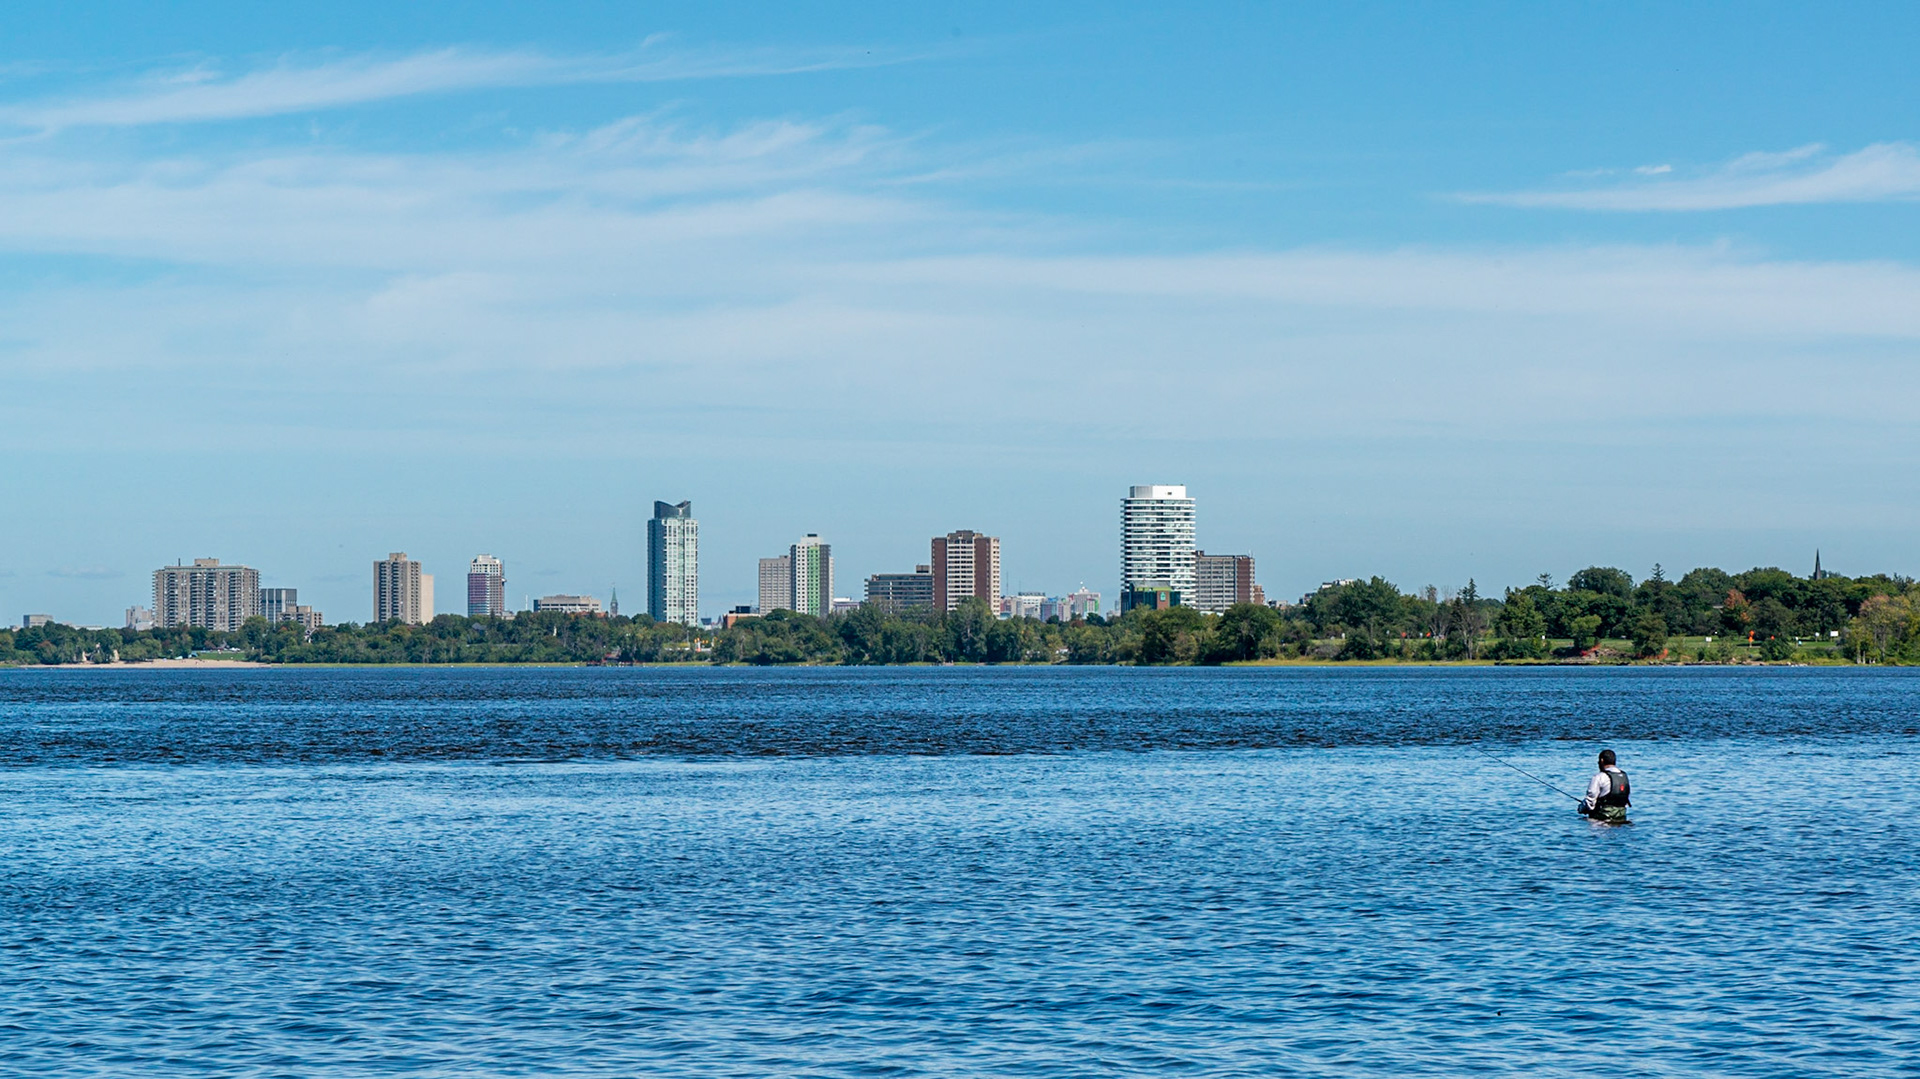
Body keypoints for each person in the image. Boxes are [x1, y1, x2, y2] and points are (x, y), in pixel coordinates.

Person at [1579, 749, 1630, 824]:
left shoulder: (1599, 777)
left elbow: (1590, 802)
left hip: (1602, 819)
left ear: (1602, 761)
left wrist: (1581, 808)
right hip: (1621, 817)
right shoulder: (1624, 776)